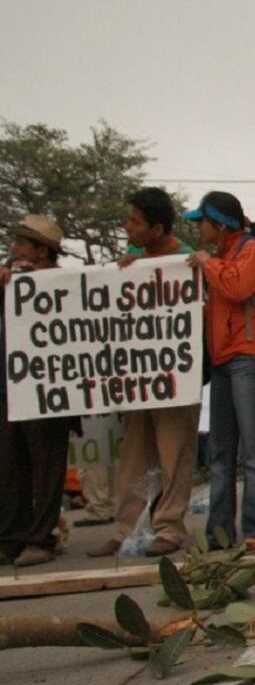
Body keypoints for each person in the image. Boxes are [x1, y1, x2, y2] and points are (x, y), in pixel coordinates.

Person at [88, 188, 201, 558]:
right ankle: (126, 529)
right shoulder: (131, 261)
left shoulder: (186, 262)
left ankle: (169, 528)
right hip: (138, 381)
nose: (128, 228)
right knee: (134, 457)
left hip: (174, 379)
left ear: (157, 227)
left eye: (135, 222)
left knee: (174, 455)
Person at [183, 191, 255, 549]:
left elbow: (238, 288)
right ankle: (219, 534)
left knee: (252, 451)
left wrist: (208, 264)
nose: (198, 228)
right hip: (223, 360)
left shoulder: (254, 251)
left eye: (202, 221)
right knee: (220, 452)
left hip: (248, 358)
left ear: (219, 225)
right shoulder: (219, 256)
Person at [0, 215, 78, 567]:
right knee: (10, 463)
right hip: (8, 385)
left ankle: (41, 537)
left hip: (47, 387)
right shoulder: (7, 280)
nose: (14, 249)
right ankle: (11, 537)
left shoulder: (60, 283)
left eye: (21, 243)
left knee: (46, 464)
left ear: (41, 251)